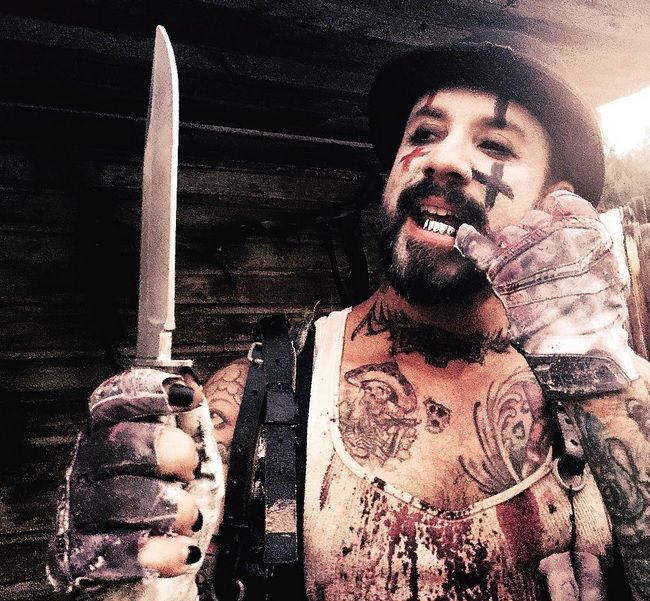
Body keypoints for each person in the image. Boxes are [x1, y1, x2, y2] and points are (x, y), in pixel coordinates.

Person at [47, 31, 650, 600]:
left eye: (494, 145)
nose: (442, 159)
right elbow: (162, 570)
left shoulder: (613, 399)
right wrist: (117, 565)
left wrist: (595, 376)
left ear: (556, 202)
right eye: (425, 133)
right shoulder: (259, 399)